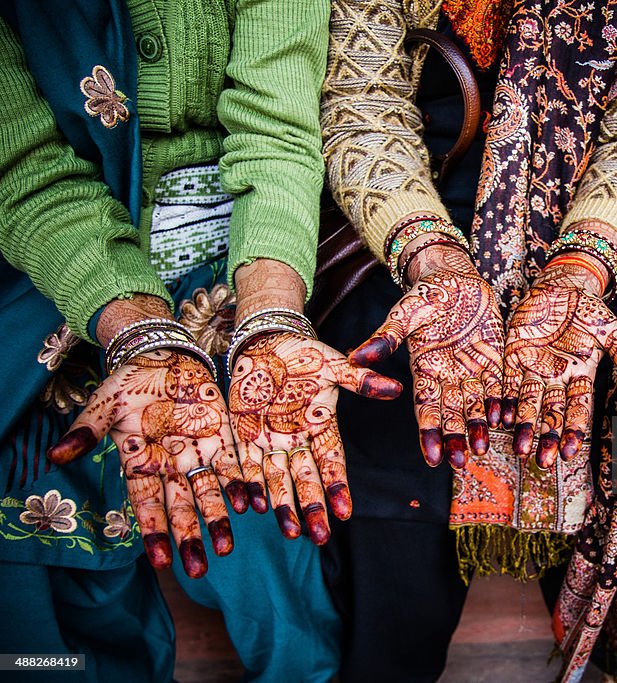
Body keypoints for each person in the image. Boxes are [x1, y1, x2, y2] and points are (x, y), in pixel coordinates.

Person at [0, 2, 394, 681]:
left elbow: (275, 130)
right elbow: (26, 168)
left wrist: (269, 318)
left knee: (271, 512)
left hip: (242, 255)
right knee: (46, 608)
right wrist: (143, 333)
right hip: (56, 278)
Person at [319, 0, 617, 679]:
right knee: (397, 527)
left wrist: (577, 273)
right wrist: (433, 258)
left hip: (602, 254)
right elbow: (364, 97)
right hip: (408, 230)